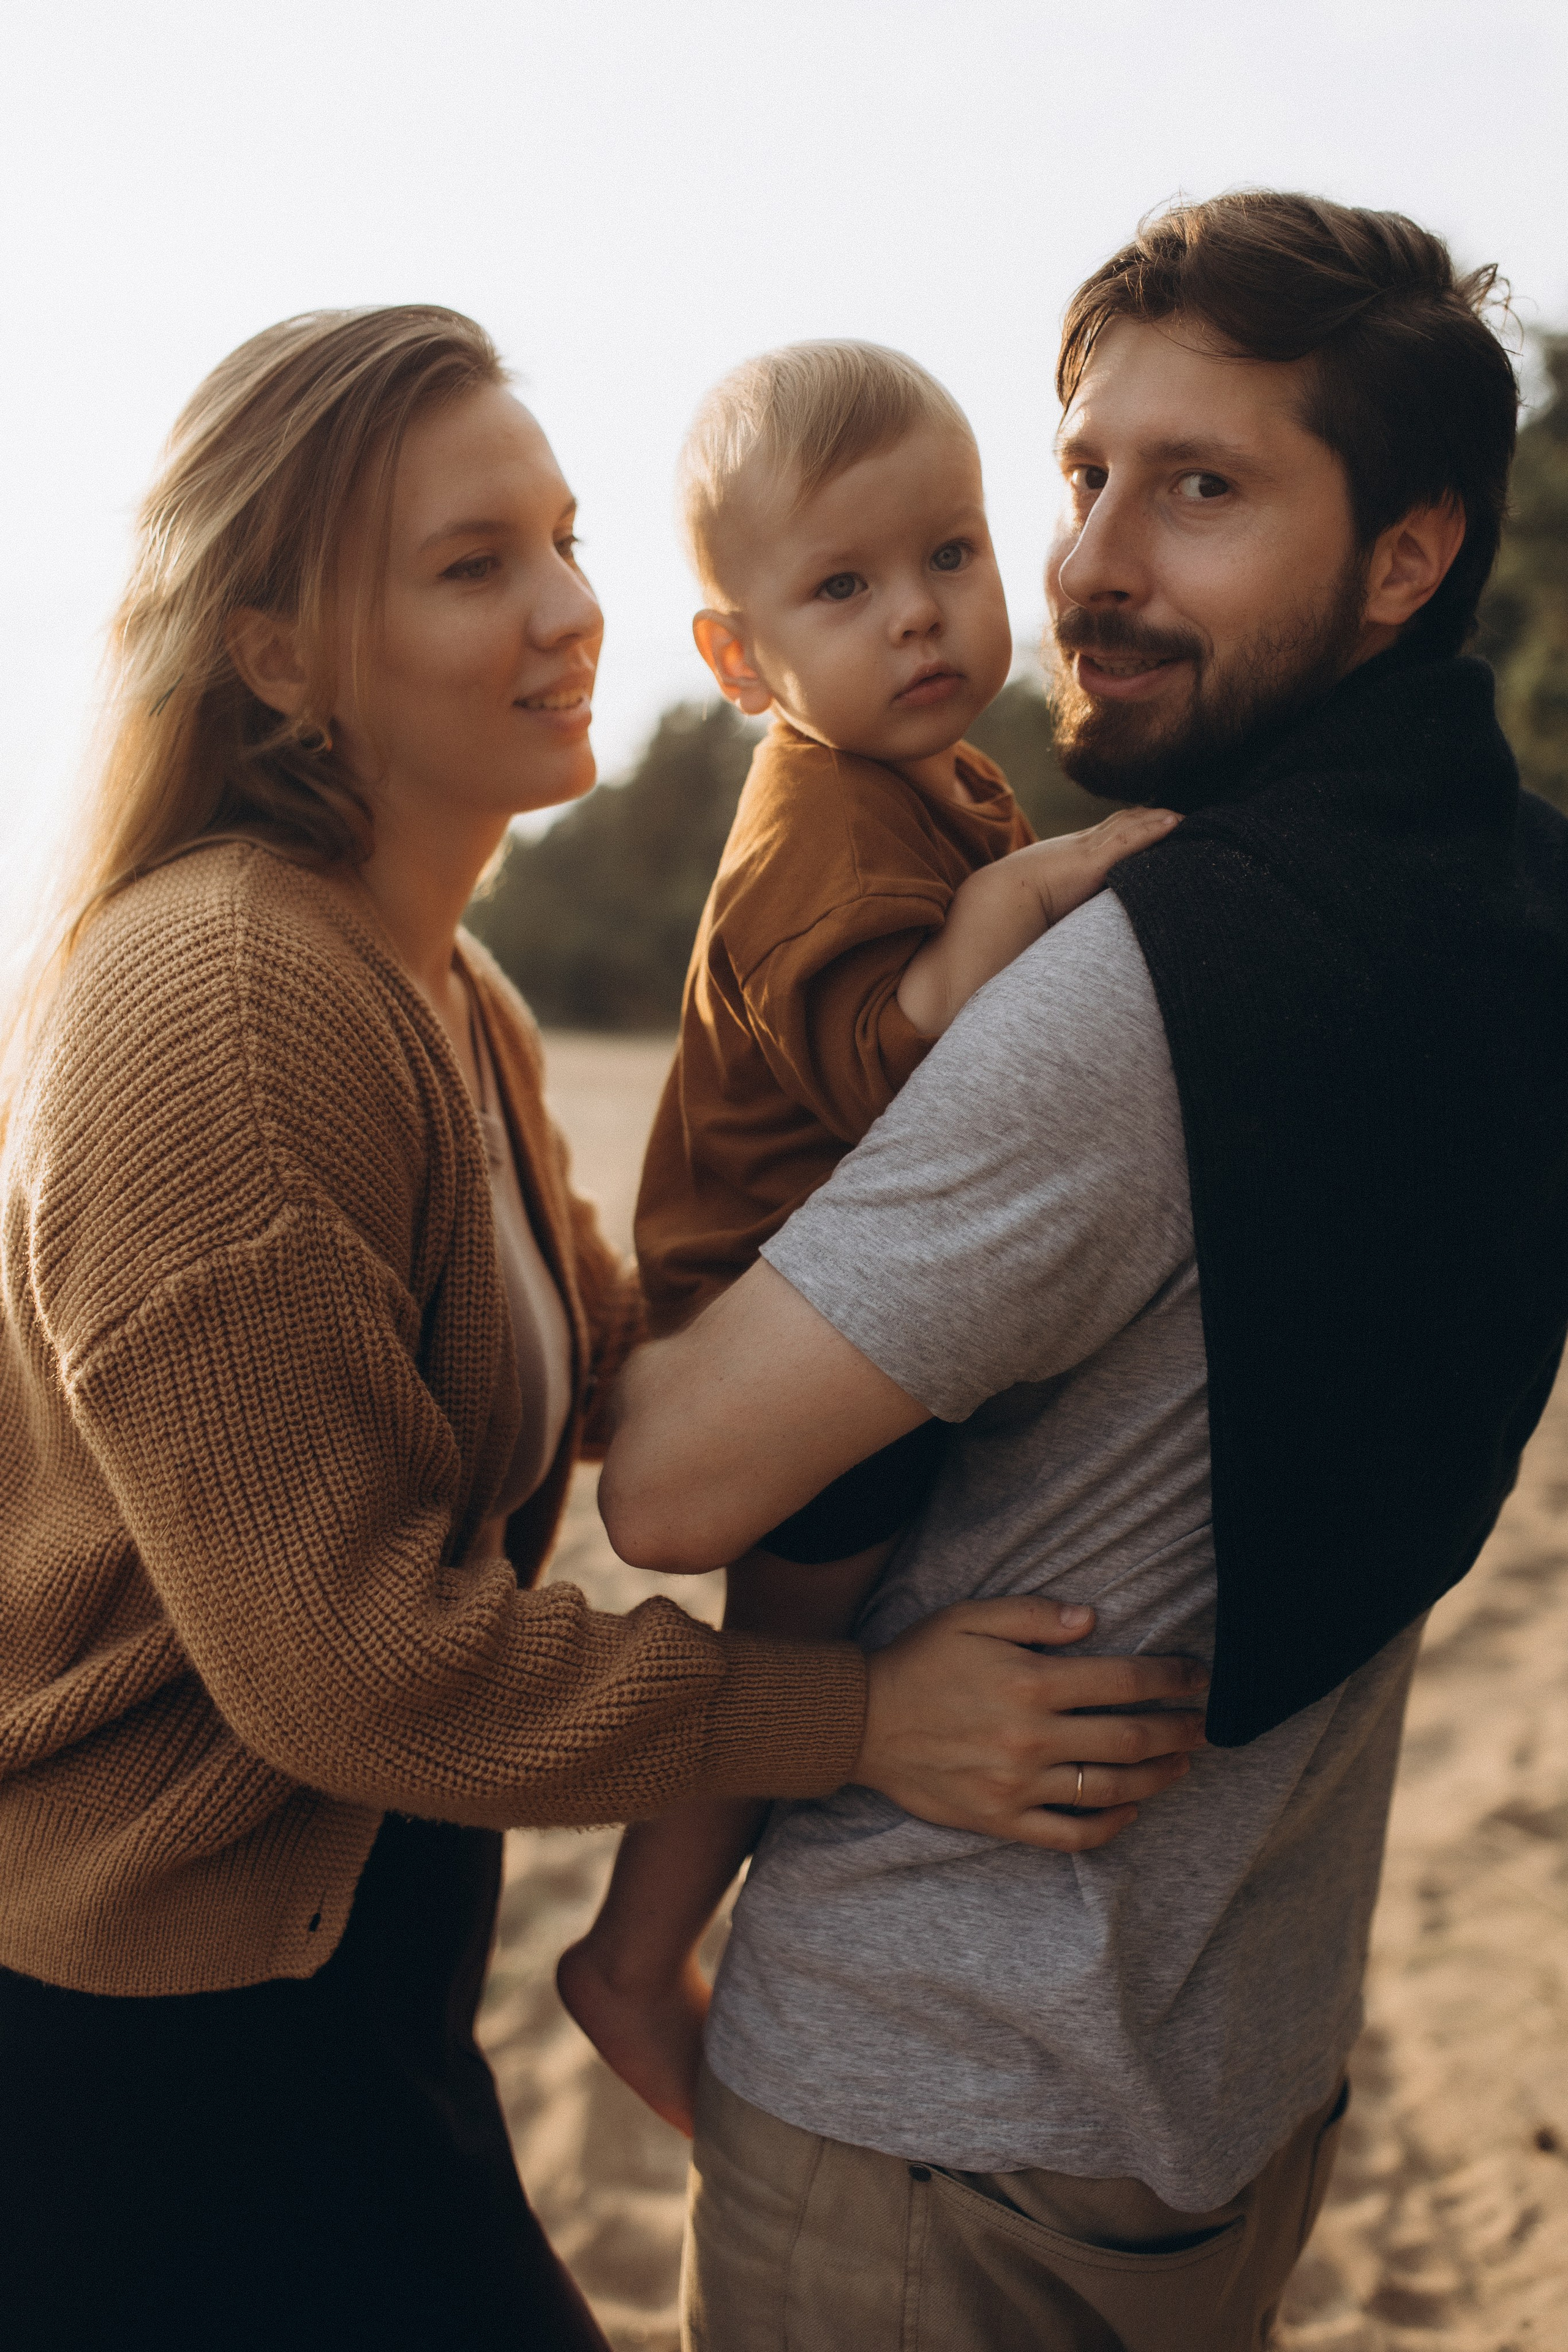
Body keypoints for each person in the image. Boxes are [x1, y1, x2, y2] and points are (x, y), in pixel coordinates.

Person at [0, 306, 1209, 2352]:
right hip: (135, 2053)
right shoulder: (218, 1009)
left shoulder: (441, 986)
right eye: (476, 568)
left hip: (352, 1989)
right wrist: (869, 1717)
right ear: (278, 654)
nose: (572, 609)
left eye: (562, 541)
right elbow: (353, 1665)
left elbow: (615, 1358)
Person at [600, 194, 1568, 2351]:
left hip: (938, 2127)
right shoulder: (1512, 907)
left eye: (1202, 490)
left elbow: (668, 1497)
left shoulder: (1147, 986)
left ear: (1409, 557)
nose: (1090, 567)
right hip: (1228, 2093)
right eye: (1084, 475)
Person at [557, 339, 1177, 2133]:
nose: (920, 619)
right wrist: (1020, 895)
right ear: (742, 662)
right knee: (795, 1641)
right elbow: (896, 1056)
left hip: (836, 1276)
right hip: (763, 1298)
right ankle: (630, 1948)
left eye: (951, 557)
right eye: (844, 588)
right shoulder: (811, 829)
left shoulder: (926, 774)